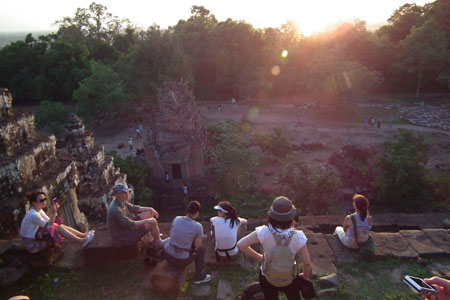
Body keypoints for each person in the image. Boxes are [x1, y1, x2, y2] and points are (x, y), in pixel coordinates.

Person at [237, 196, 311, 300]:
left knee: (270, 297)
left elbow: (241, 244)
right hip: (290, 277)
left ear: (271, 216)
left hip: (268, 276)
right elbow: (306, 262)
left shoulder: (264, 232)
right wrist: (305, 276)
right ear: (292, 217)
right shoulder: (298, 236)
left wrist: (259, 257)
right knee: (294, 296)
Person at [20, 192, 95, 253]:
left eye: (45, 199)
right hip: (32, 244)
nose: (44, 202)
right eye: (41, 201)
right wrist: (53, 213)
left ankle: (84, 235)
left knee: (59, 226)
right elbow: (49, 225)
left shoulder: (39, 210)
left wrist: (54, 213)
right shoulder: (33, 214)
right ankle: (82, 241)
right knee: (58, 229)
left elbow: (50, 221)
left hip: (36, 236)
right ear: (34, 203)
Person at [162, 201, 211, 284]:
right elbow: (197, 246)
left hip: (167, 254)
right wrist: (200, 238)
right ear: (196, 213)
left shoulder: (176, 218)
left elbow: (171, 235)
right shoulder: (198, 226)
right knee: (201, 249)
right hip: (181, 261)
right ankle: (199, 277)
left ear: (187, 210)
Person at [107, 183, 164, 248]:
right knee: (150, 223)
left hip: (126, 229)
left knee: (149, 213)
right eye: (124, 192)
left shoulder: (120, 201)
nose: (127, 193)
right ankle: (159, 243)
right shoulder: (116, 209)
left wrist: (150, 209)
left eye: (127, 191)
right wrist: (147, 220)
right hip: (123, 239)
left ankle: (151, 237)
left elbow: (133, 208)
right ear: (117, 195)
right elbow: (129, 224)